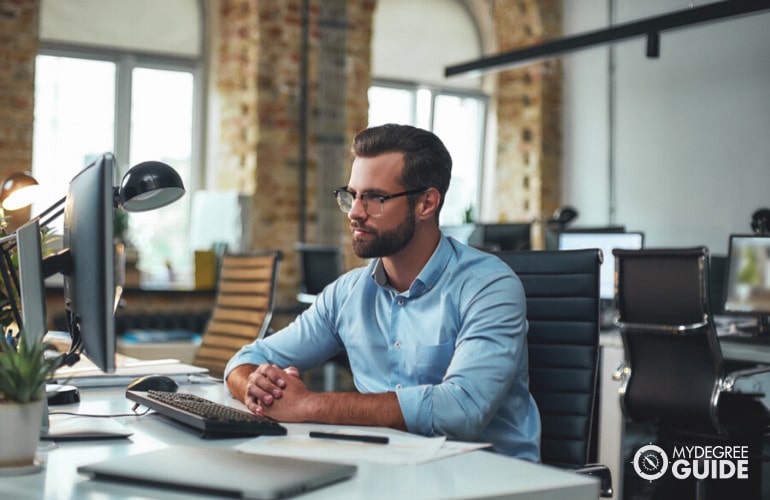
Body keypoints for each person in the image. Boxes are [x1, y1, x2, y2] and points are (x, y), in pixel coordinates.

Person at [225, 123, 540, 460]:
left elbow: (460, 410)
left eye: (375, 198)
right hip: (386, 470)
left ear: (426, 204)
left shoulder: (489, 287)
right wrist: (258, 389)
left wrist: (309, 404)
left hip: (489, 478)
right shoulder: (347, 293)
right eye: (352, 196)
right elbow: (244, 360)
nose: (356, 213)